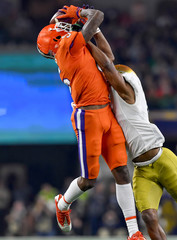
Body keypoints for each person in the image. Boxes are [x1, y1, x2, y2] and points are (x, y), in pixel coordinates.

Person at [37, 5, 146, 240]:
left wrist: (92, 30)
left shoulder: (75, 47)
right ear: (56, 39)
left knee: (122, 172)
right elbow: (98, 16)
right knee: (89, 180)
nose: (63, 30)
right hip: (88, 117)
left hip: (106, 111)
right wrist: (80, 12)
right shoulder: (67, 48)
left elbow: (109, 57)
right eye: (59, 30)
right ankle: (63, 203)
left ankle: (133, 232)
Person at [88, 36, 177, 240]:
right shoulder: (117, 100)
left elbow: (108, 66)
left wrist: (83, 40)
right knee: (148, 217)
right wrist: (98, 31)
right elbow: (109, 59)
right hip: (142, 168)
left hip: (162, 159)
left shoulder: (127, 92)